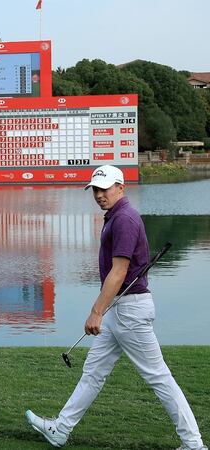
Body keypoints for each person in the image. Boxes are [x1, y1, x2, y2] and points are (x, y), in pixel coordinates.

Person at [25, 165, 205, 450]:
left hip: (128, 310)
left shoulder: (124, 219)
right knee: (93, 373)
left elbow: (119, 271)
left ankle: (193, 443)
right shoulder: (116, 217)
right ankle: (61, 429)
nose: (98, 194)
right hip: (120, 309)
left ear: (121, 187)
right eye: (95, 189)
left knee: (159, 377)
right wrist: (103, 310)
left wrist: (97, 311)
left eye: (104, 188)